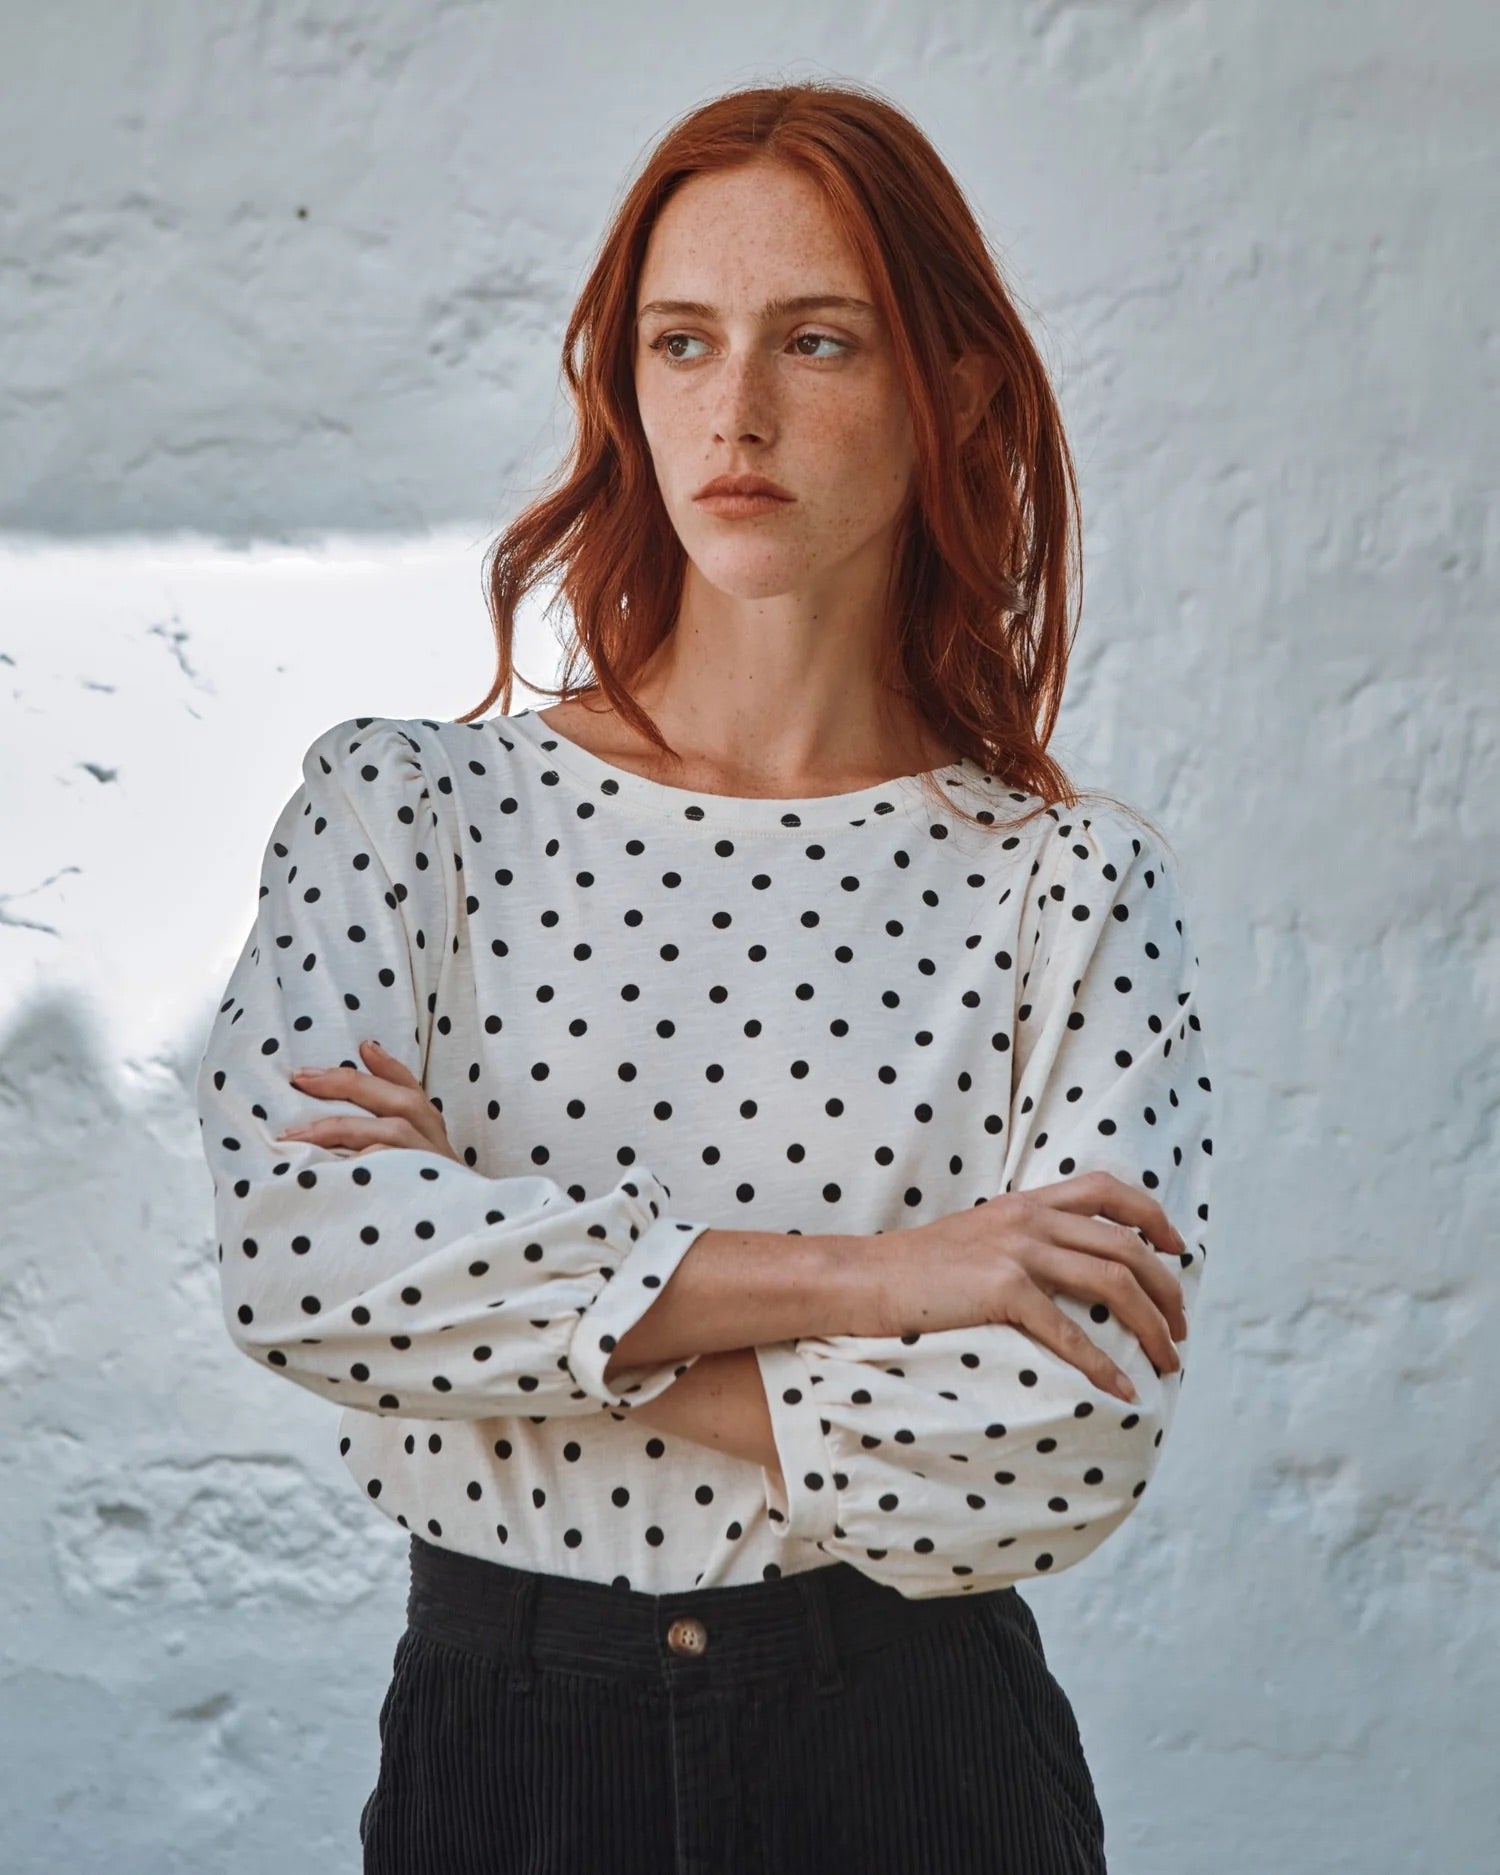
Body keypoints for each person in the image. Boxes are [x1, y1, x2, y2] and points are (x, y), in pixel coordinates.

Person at [194, 77, 1215, 1875]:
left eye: (816, 341)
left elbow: (1066, 1436)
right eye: (683, 342)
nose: (733, 412)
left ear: (950, 391)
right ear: (626, 385)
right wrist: (895, 1278)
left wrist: (515, 1302)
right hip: (507, 1752)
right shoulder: (412, 807)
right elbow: (304, 1266)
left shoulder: (1067, 884)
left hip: (917, 1752)